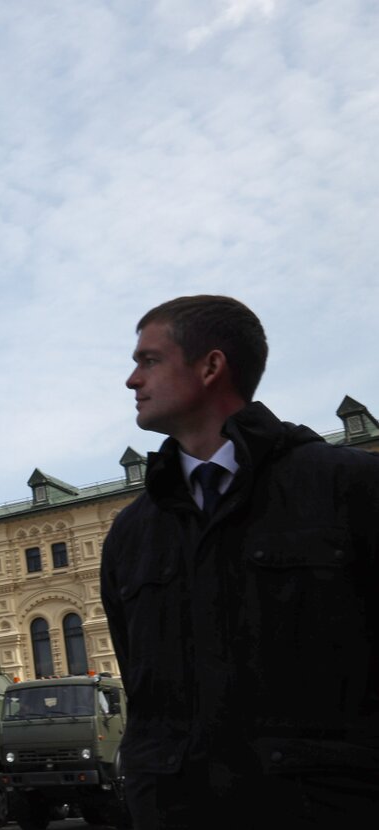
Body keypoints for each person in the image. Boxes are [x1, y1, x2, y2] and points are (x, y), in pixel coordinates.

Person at [101, 295, 379, 828]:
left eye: (149, 360)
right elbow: (145, 693)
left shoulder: (348, 489)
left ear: (211, 366)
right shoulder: (132, 534)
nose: (132, 380)